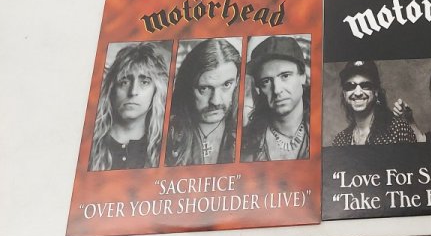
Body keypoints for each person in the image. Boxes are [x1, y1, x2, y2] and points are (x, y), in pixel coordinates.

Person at [89, 42, 169, 171]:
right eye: (124, 82)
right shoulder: (89, 144)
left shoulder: (165, 148)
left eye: (144, 82)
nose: (133, 92)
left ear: (156, 91)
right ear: (111, 89)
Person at [165, 38, 240, 166]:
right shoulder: (166, 133)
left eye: (227, 85)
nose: (215, 101)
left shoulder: (247, 130)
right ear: (187, 86)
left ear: (237, 81)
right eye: (204, 88)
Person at [241, 37, 310, 162]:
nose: (277, 90)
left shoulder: (321, 128)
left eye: (285, 76)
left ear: (302, 77)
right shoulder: (247, 144)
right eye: (266, 81)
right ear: (259, 88)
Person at [332, 60, 417, 146]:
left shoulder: (398, 129)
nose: (358, 93)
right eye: (350, 86)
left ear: (376, 91)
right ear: (344, 93)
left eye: (365, 86)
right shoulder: (340, 140)